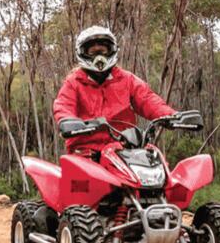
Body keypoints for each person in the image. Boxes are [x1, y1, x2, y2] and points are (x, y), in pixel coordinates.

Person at [53, 26, 176, 155]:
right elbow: (63, 105)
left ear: (112, 50)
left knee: (154, 165)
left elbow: (147, 100)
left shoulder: (126, 79)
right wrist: (67, 120)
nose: (99, 57)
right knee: (79, 173)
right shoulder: (74, 82)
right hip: (86, 151)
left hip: (124, 149)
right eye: (93, 52)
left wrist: (172, 116)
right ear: (82, 52)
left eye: (103, 51)